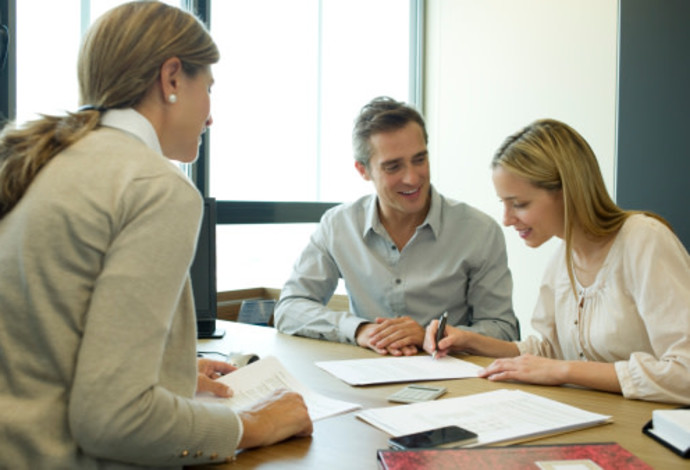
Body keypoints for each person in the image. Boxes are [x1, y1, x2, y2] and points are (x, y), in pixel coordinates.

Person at [0, 2, 311, 468]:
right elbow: (113, 418)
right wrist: (253, 426)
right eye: (208, 89)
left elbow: (46, 349)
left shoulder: (48, 163)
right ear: (170, 79)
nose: (210, 117)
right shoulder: (154, 186)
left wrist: (171, 372)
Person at [424, 118, 690, 405]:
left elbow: (684, 373)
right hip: (596, 417)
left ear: (567, 191)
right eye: (504, 203)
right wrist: (470, 341)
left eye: (520, 204)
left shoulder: (644, 240)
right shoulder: (562, 259)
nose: (506, 219)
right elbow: (549, 350)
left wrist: (564, 371)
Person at [274, 96, 519, 356]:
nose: (412, 178)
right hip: (368, 375)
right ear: (363, 170)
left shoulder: (479, 231)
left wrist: (430, 335)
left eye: (420, 159)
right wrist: (361, 330)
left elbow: (503, 330)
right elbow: (290, 308)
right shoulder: (338, 225)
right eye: (393, 167)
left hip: (455, 378)